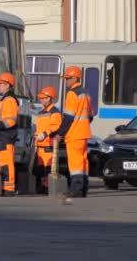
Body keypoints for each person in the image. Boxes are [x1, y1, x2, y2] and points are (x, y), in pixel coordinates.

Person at [56, 66, 93, 198]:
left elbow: (68, 117)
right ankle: (83, 189)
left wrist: (60, 134)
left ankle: (76, 189)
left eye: (68, 78)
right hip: (84, 133)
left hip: (74, 134)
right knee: (83, 161)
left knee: (76, 162)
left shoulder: (72, 94)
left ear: (75, 78)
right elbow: (90, 116)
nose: (66, 81)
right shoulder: (86, 94)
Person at [34, 86, 62, 194]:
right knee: (40, 169)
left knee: (48, 168)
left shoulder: (55, 112)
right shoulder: (41, 112)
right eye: (41, 98)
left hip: (48, 145)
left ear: (49, 98)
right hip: (40, 145)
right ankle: (41, 187)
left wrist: (44, 134)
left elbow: (56, 126)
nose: (41, 100)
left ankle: (47, 188)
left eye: (43, 98)